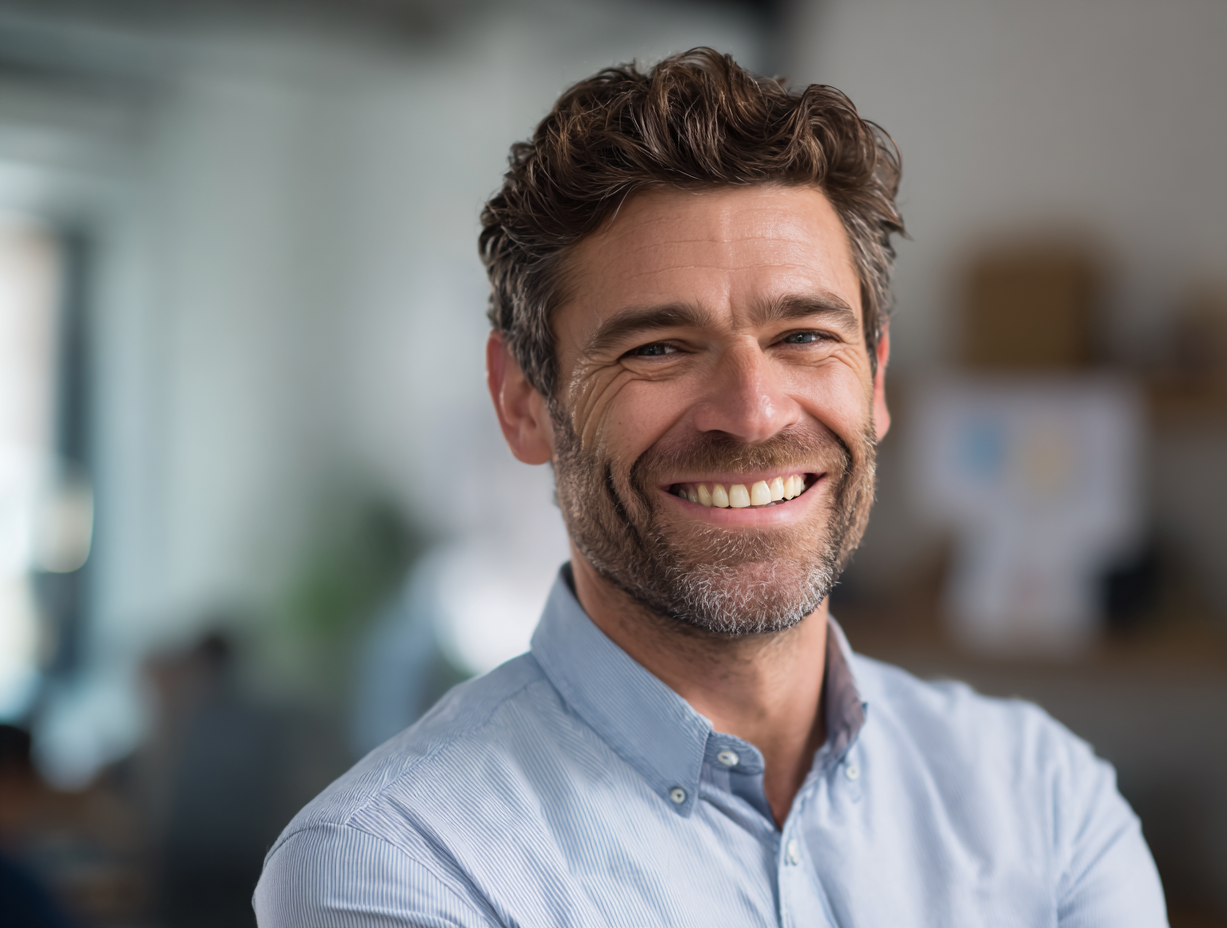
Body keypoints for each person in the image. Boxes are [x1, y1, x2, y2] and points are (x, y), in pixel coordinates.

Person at [254, 48, 1167, 927]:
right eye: (659, 348)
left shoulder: (1045, 799)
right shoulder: (394, 865)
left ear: (877, 380)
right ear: (523, 401)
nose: (755, 413)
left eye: (805, 335)